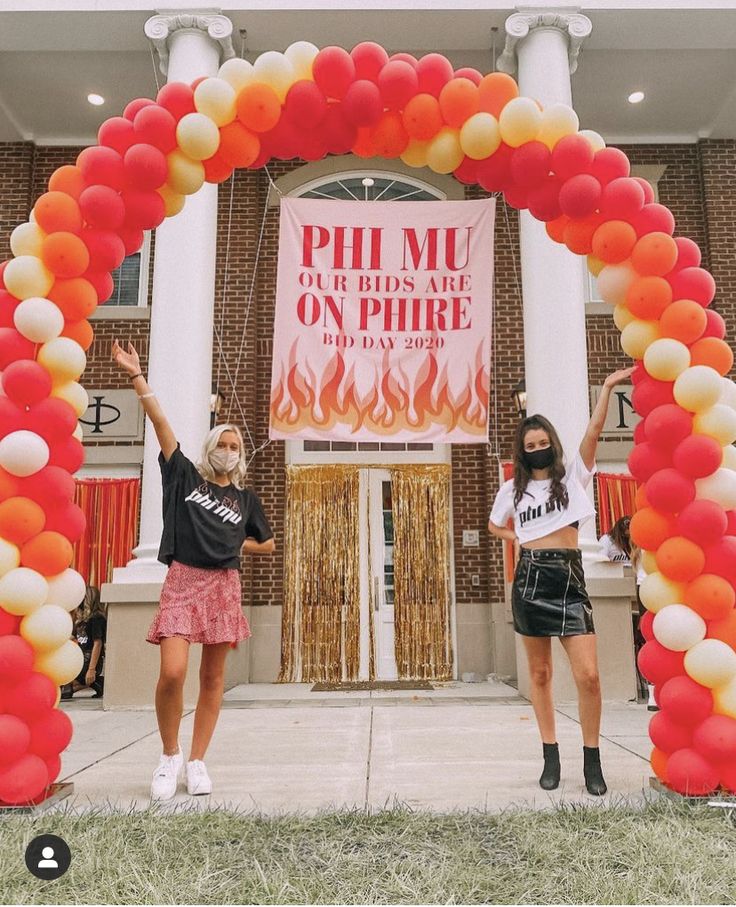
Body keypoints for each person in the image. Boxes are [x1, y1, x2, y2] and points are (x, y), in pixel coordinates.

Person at [112, 340, 275, 801]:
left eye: (234, 445)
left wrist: (233, 541)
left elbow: (267, 542)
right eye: (221, 443)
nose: (227, 450)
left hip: (224, 585)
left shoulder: (246, 501)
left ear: (241, 454)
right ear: (210, 447)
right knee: (173, 672)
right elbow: (162, 426)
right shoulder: (185, 476)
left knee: (213, 678)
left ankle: (198, 762)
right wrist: (135, 376)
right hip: (183, 580)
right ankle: (169, 756)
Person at [487, 367, 634, 796]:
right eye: (529, 446)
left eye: (542, 443)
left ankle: (592, 759)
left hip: (569, 579)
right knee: (541, 673)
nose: (536, 449)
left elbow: (592, 434)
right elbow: (496, 526)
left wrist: (606, 388)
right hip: (530, 580)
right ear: (521, 449)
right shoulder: (511, 492)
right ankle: (550, 754)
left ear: (551, 443)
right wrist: (518, 537)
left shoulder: (571, 478)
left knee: (588, 675)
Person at [61, 586, 106, 699]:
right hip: (79, 657)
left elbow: (98, 643)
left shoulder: (97, 618)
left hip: (88, 659)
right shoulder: (81, 620)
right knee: (64, 686)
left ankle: (96, 681)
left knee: (65, 692)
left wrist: (91, 669)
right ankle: (98, 683)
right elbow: (73, 636)